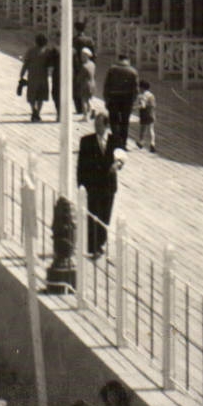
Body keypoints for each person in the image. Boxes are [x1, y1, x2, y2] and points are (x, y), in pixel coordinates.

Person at [76, 112, 120, 257]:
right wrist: (81, 185)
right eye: (95, 125)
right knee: (93, 214)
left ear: (106, 126)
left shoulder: (114, 141)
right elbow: (80, 165)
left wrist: (118, 164)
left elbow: (121, 156)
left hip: (108, 185)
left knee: (105, 216)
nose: (96, 128)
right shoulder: (86, 141)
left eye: (99, 125)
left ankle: (100, 243)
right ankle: (92, 246)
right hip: (93, 185)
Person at [101, 55, 139, 151]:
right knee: (125, 122)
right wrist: (134, 100)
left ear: (118, 60)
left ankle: (116, 142)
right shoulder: (133, 71)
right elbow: (136, 89)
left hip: (113, 97)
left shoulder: (112, 70)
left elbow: (106, 85)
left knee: (114, 121)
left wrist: (106, 99)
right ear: (128, 60)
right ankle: (123, 143)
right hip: (127, 99)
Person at [18, 35, 54, 121]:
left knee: (32, 96)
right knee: (41, 97)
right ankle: (37, 113)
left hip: (32, 77)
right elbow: (50, 65)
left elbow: (26, 63)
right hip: (43, 77)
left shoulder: (31, 51)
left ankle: (34, 110)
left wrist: (22, 74)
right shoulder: (48, 52)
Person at [73, 46, 96, 121]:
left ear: (86, 56)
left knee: (84, 100)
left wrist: (76, 81)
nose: (82, 57)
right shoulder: (92, 64)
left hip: (85, 85)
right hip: (92, 84)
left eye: (83, 56)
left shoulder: (84, 66)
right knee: (89, 99)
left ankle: (85, 116)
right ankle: (92, 111)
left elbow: (79, 78)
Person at [135, 81, 157, 152]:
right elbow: (154, 105)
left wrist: (134, 108)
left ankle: (141, 142)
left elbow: (142, 105)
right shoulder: (152, 95)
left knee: (143, 129)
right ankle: (152, 143)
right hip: (151, 113)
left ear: (142, 88)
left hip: (144, 114)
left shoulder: (142, 96)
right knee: (151, 129)